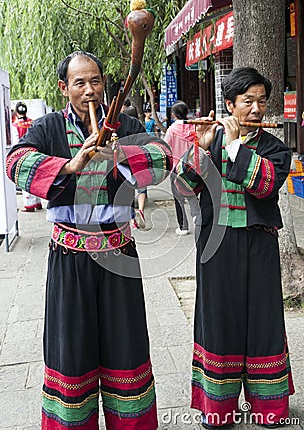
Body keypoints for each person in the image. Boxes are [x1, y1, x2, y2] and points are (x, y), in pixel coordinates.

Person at [6, 51, 172, 429]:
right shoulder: (49, 128)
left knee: (125, 347)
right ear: (64, 88)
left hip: (119, 255)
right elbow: (15, 162)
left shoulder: (125, 124)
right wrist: (69, 165)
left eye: (95, 81)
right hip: (70, 257)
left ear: (104, 84)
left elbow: (162, 157)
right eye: (79, 83)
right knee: (72, 351)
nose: (89, 91)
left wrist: (123, 154)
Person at [174, 67, 294, 428]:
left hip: (259, 244)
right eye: (247, 102)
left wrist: (233, 146)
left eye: (261, 101)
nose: (256, 109)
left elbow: (264, 185)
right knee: (218, 320)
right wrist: (203, 147)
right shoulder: (212, 143)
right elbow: (183, 186)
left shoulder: (276, 148)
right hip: (217, 246)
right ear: (229, 105)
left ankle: (269, 407)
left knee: (263, 322)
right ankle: (218, 406)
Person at [165, 100, 200, 235]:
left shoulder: (172, 130)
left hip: (176, 167)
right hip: (192, 167)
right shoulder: (194, 127)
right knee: (192, 194)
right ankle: (198, 219)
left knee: (178, 198)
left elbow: (166, 149)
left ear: (173, 114)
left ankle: (183, 226)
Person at [12, 101, 43, 211]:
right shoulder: (32, 122)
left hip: (24, 154)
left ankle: (29, 204)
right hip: (36, 152)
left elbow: (15, 142)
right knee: (37, 176)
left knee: (26, 177)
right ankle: (38, 202)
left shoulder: (15, 125)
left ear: (16, 112)